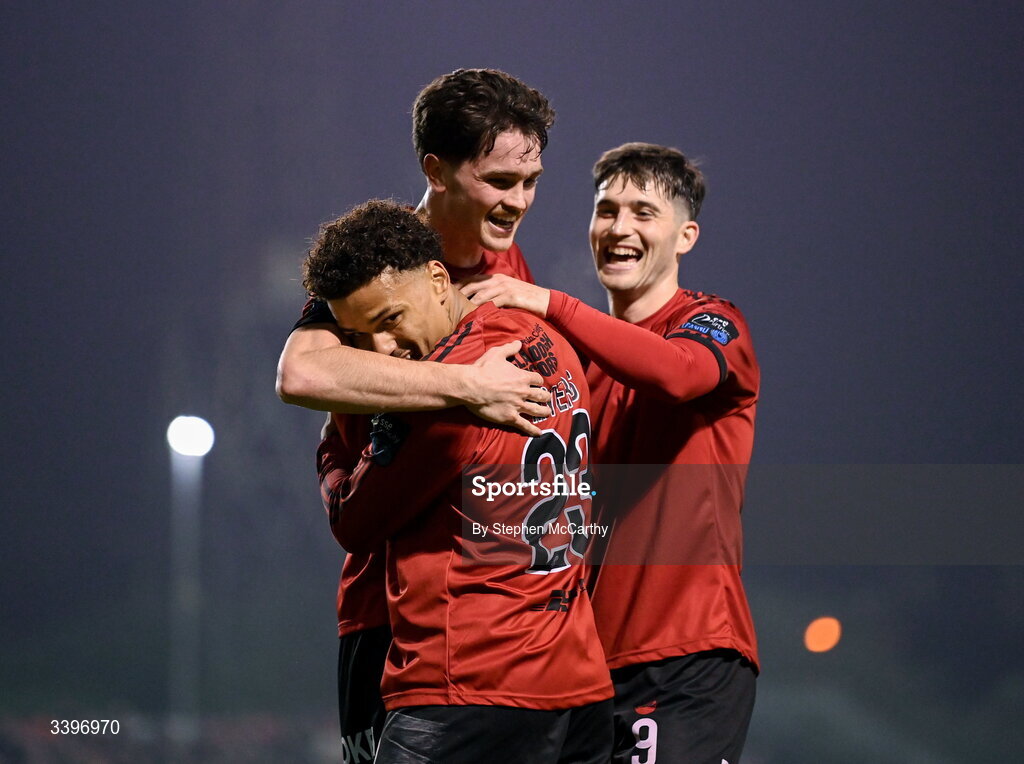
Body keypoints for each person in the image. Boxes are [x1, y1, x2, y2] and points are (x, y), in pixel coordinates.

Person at [276, 69, 557, 760]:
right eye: (498, 181)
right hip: (390, 621)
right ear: (435, 169)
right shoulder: (380, 269)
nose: (517, 200)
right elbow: (300, 372)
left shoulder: (511, 266)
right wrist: (465, 385)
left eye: (530, 181)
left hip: (501, 632)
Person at [463, 142, 759, 763]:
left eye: (644, 212)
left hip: (682, 657)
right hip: (583, 672)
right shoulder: (577, 368)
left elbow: (677, 374)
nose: (619, 228)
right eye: (606, 209)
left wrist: (550, 302)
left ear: (687, 236)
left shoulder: (713, 323)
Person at [306, 200, 613, 764]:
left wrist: (331, 448)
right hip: (578, 690)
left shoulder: (445, 395)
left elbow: (354, 521)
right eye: (357, 336)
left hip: (469, 684)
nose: (382, 350)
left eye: (389, 320)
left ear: (439, 278)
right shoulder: (544, 338)